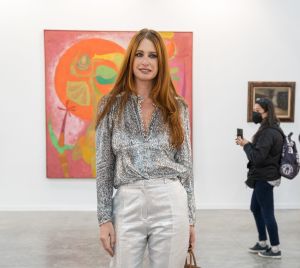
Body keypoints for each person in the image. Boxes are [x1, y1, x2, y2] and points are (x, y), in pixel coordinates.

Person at [95, 28, 196, 268]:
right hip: (128, 201)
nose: (145, 61)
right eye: (140, 54)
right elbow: (104, 165)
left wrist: (191, 219)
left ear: (161, 62)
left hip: (170, 199)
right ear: (131, 59)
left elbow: (187, 167)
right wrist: (104, 219)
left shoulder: (177, 107)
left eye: (153, 56)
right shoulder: (109, 106)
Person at [236, 97, 283, 259]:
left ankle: (275, 249)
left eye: (257, 111)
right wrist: (248, 143)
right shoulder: (269, 129)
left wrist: (245, 145)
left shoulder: (269, 132)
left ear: (266, 112)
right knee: (256, 208)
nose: (254, 114)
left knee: (267, 213)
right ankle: (263, 242)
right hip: (263, 176)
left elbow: (257, 158)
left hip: (265, 177)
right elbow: (262, 153)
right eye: (253, 110)